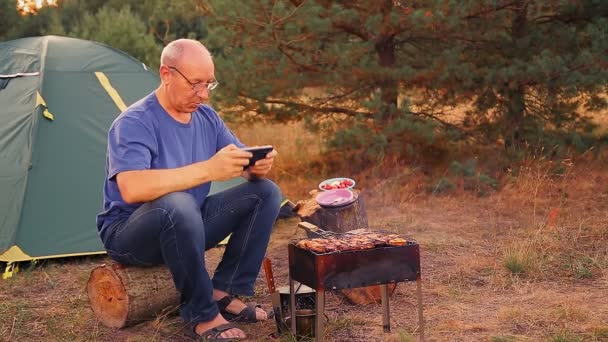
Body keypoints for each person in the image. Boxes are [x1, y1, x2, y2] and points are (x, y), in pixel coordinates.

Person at [96, 39, 282, 341]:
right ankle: (202, 315)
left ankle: (223, 291)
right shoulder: (134, 122)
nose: (204, 95)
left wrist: (255, 165)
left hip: (187, 222)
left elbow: (239, 156)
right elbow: (131, 188)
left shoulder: (207, 117)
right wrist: (208, 169)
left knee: (266, 192)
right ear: (166, 74)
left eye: (209, 84)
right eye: (195, 84)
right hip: (130, 234)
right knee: (178, 204)